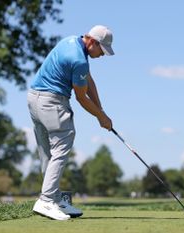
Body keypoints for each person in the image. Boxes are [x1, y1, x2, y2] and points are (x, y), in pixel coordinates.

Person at [27, 25, 114, 220]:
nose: (102, 55)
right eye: (102, 50)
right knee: (63, 142)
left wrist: (101, 110)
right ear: (92, 42)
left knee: (47, 151)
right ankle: (46, 200)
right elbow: (81, 98)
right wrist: (101, 118)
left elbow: (88, 80)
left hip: (34, 98)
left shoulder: (72, 42)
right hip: (52, 101)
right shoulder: (79, 60)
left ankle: (55, 199)